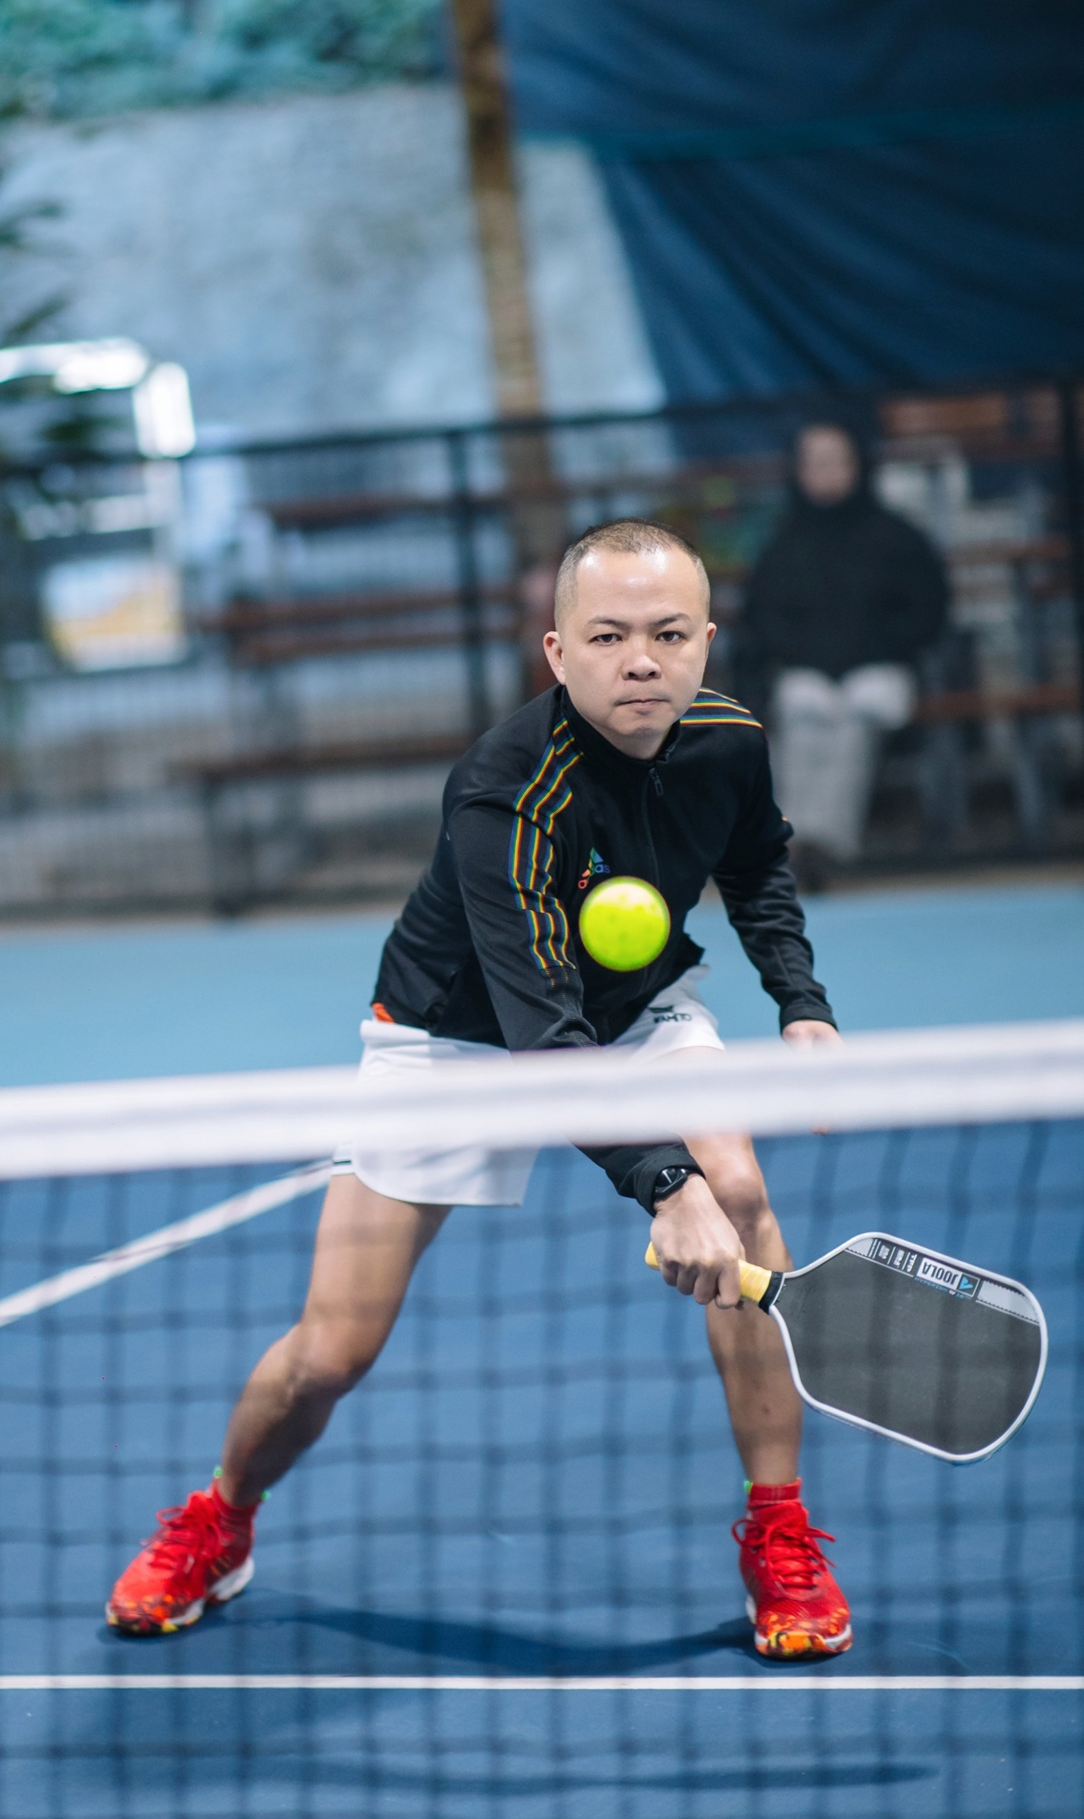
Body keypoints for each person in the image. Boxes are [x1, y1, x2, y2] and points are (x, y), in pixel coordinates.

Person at [108, 519, 853, 1661]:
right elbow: (541, 1039)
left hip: (633, 1007)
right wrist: (663, 1185)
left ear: (707, 641)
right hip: (455, 1041)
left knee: (743, 1197)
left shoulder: (726, 740)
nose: (640, 661)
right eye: (607, 637)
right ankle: (221, 1515)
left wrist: (801, 1003)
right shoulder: (505, 791)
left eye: (667, 635)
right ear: (557, 651)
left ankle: (780, 1530)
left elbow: (754, 865)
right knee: (331, 1352)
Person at [737, 423, 949, 884]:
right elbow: (764, 620)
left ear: (859, 465)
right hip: (807, 672)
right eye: (815, 462)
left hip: (880, 671)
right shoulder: (783, 544)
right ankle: (793, 841)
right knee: (802, 711)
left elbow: (927, 612)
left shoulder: (898, 537)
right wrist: (814, 657)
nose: (826, 472)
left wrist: (866, 653)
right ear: (798, 471)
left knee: (857, 713)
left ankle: (824, 845)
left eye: (836, 460)